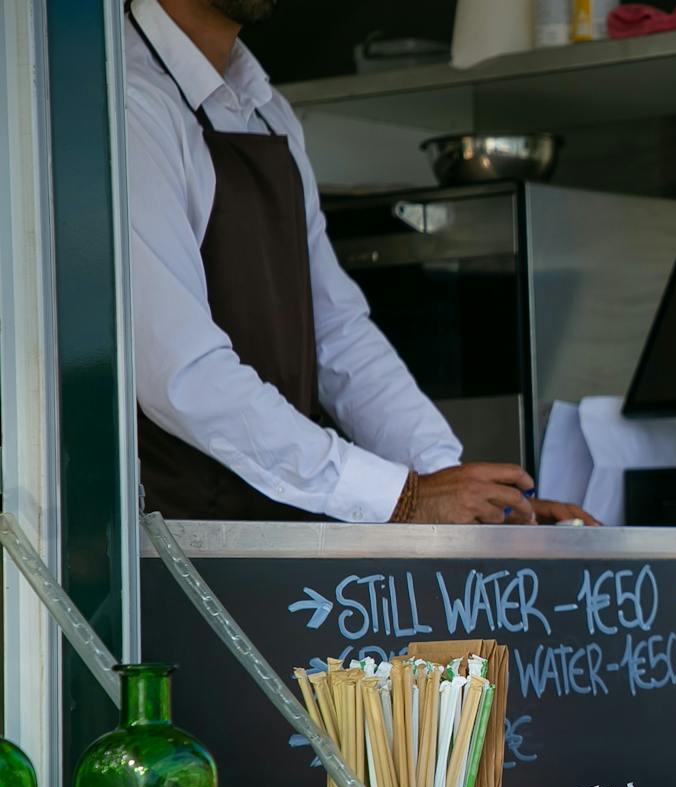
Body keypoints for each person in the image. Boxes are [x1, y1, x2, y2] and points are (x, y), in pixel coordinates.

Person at [124, 0, 595, 526]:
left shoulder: (265, 108)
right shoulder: (127, 103)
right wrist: (403, 497)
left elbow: (338, 332)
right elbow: (182, 374)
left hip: (272, 541)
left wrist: (466, 494)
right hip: (172, 552)